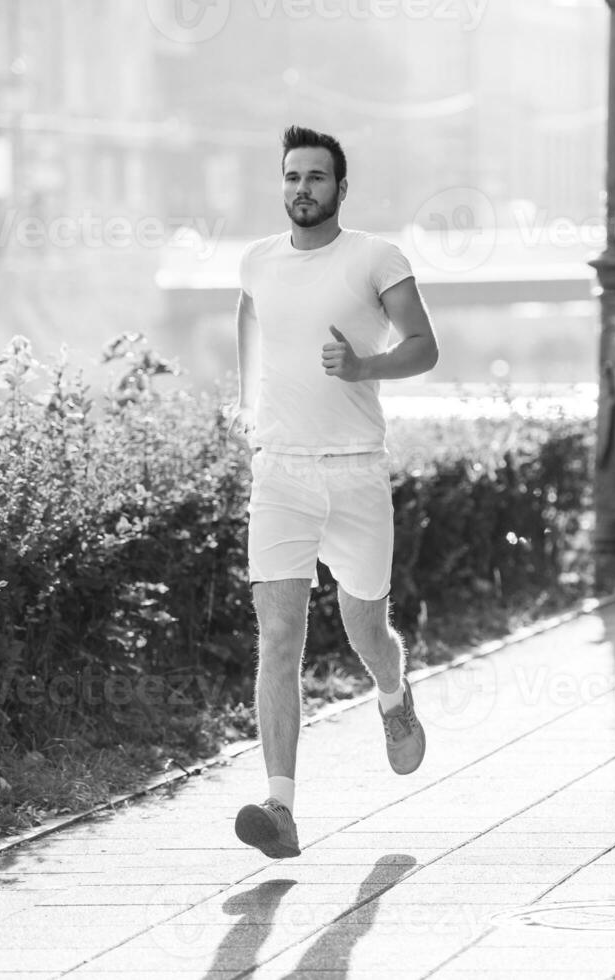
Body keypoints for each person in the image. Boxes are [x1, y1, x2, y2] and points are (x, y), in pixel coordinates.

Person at [229, 125, 439, 860]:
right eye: (291, 177)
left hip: (354, 469)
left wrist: (362, 369)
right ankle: (279, 807)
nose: (301, 190)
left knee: (363, 629)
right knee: (278, 639)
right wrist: (249, 411)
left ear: (340, 190)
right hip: (279, 472)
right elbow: (250, 327)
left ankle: (392, 695)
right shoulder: (256, 262)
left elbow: (424, 346)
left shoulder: (376, 258)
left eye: (316, 178)